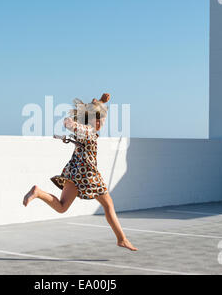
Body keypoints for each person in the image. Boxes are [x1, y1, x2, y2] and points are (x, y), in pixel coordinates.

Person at [23, 93, 138, 251]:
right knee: (108, 205)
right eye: (103, 121)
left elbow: (87, 119)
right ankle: (121, 239)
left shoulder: (87, 129)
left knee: (62, 207)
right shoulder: (88, 131)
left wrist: (102, 102)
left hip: (73, 173)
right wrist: (71, 124)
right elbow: (81, 128)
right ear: (95, 121)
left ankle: (38, 192)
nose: (103, 124)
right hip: (88, 175)